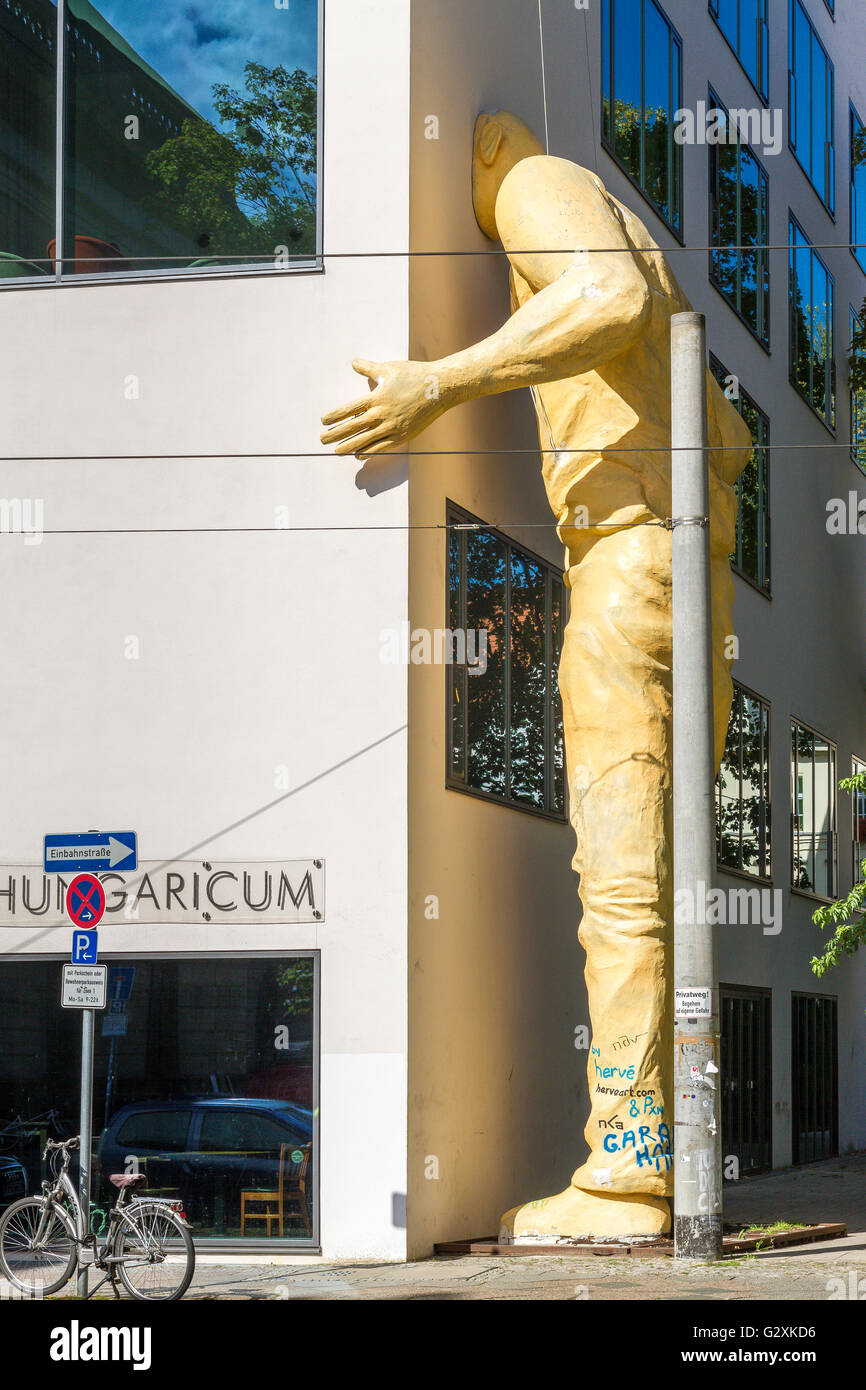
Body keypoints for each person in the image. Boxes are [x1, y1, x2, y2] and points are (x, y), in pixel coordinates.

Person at [321, 110, 751, 1239]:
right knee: (654, 881)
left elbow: (600, 299)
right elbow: (730, 437)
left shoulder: (529, 183)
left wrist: (436, 385)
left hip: (625, 554)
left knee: (618, 887)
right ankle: (662, 1157)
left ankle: (627, 1171)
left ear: (482, 146)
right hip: (683, 564)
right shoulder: (630, 227)